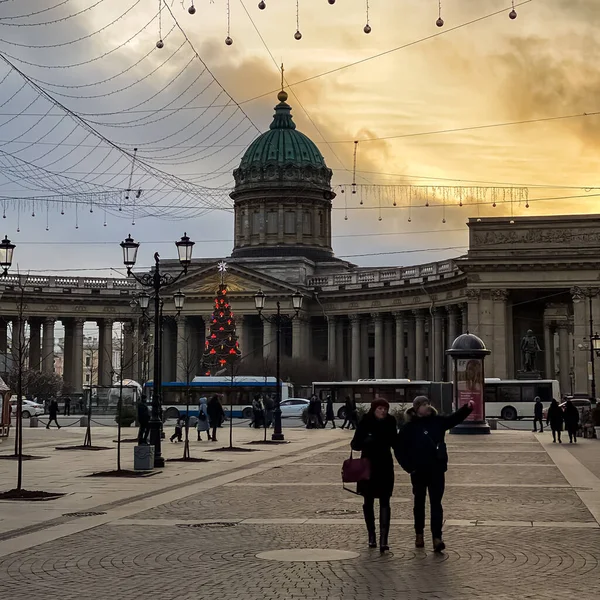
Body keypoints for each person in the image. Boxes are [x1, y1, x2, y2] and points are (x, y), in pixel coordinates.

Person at [395, 396, 474, 553]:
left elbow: (454, 419)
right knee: (419, 504)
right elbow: (399, 449)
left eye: (428, 404)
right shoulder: (409, 427)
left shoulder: (437, 421)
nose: (427, 407)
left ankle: (437, 537)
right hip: (418, 471)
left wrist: (467, 408)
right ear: (416, 408)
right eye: (423, 405)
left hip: (436, 470)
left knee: (436, 504)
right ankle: (419, 534)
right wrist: (409, 467)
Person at [351, 398, 398, 553]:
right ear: (374, 409)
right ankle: (371, 535)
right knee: (368, 500)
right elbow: (355, 445)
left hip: (384, 465)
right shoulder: (366, 422)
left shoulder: (391, 422)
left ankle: (384, 539)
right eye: (380, 408)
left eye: (385, 408)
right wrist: (366, 440)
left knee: (385, 501)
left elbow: (396, 443)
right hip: (368, 466)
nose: (383, 411)